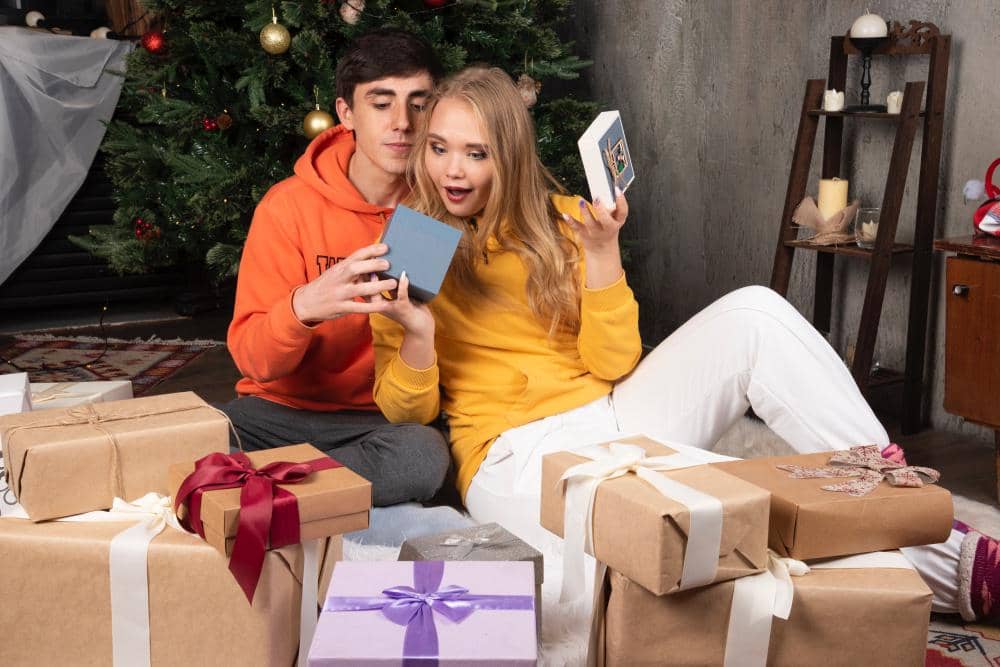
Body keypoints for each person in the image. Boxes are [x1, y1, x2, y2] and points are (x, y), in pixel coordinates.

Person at [369, 65, 1000, 623]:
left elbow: (614, 363)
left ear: (508, 155)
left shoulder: (568, 221)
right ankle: (966, 570)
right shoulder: (413, 242)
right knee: (720, 521)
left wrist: (602, 255)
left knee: (755, 311)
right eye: (439, 148)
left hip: (610, 415)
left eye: (475, 153)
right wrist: (419, 333)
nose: (452, 169)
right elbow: (407, 412)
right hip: (512, 457)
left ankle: (893, 492)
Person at [222, 30, 451, 508]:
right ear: (346, 113)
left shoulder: (446, 206)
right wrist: (305, 307)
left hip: (381, 422)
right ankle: (309, 492)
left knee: (424, 457)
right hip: (277, 414)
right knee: (197, 440)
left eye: (418, 103)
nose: (402, 123)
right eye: (381, 103)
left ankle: (266, 492)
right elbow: (254, 361)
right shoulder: (287, 207)